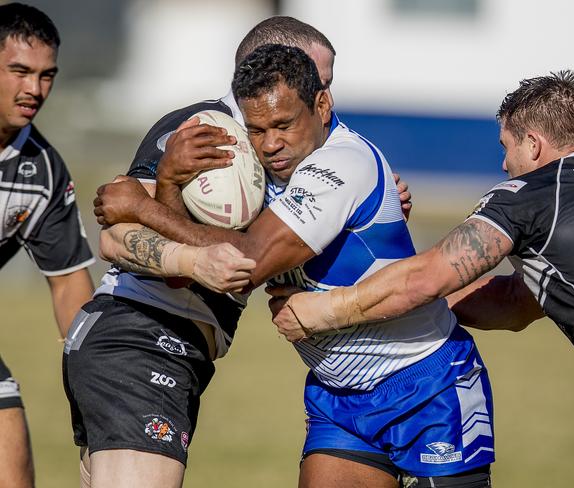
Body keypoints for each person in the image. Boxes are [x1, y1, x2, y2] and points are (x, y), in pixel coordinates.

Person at [94, 44, 495, 488]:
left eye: (284, 125)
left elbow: (250, 259)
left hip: (425, 383)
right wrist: (169, 180)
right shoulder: (255, 171)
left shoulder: (342, 164)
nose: (271, 145)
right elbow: (183, 274)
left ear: (322, 105)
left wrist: (143, 207)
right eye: (258, 129)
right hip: (338, 396)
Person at [67, 16, 408, 488]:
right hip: (140, 338)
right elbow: (115, 236)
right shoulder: (200, 131)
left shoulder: (293, 152)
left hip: (179, 349)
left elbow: (269, 239)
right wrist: (161, 194)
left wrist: (369, 212)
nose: (325, 100)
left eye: (326, 86)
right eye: (317, 79)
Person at [268, 70, 574, 488]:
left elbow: (426, 280)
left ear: (534, 145)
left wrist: (324, 309)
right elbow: (514, 304)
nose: (505, 165)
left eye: (507, 148)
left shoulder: (530, 196)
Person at [0, 3, 95, 487]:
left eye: (46, 75)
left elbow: (68, 284)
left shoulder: (42, 171)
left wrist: (93, 372)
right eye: (19, 72)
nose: (34, 90)